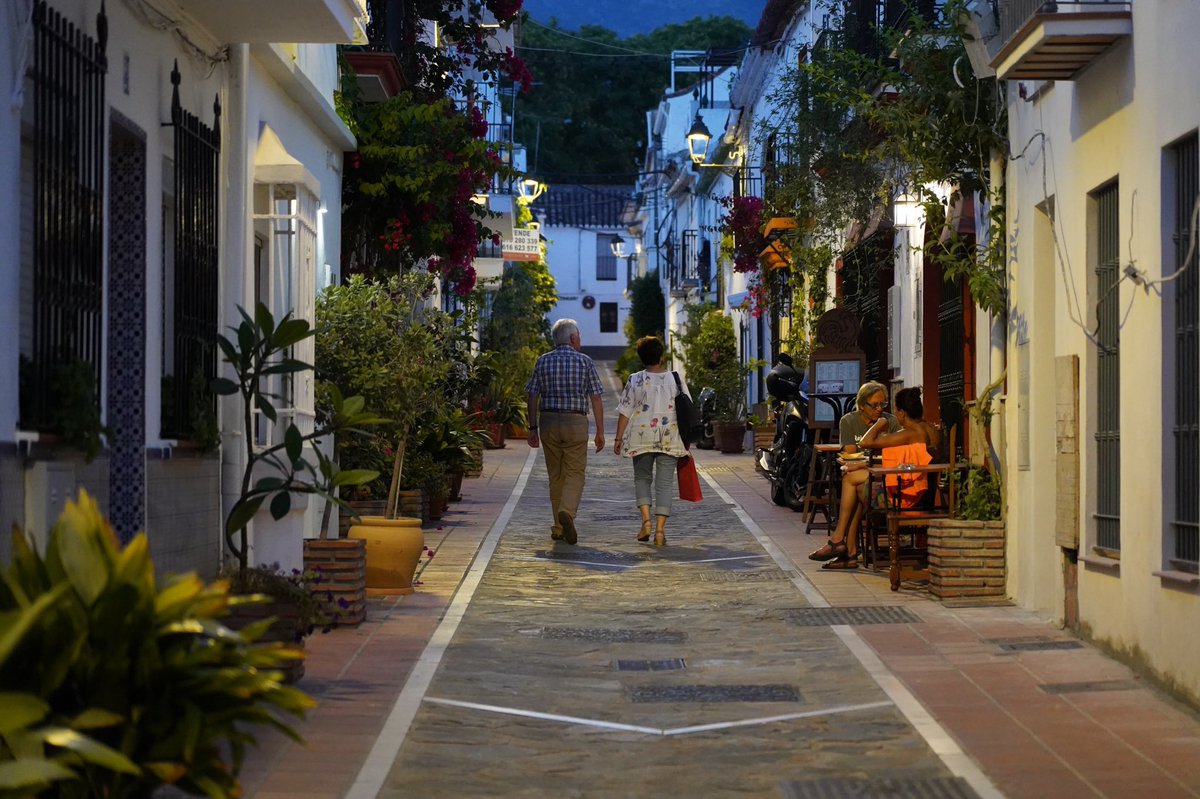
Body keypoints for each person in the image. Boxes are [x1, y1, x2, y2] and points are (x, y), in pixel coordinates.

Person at [525, 319, 605, 545]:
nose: (580, 340)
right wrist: (600, 431)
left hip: (548, 421)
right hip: (575, 421)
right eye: (578, 336)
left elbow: (532, 395)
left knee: (556, 474)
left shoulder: (543, 361)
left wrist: (532, 427)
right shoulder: (585, 361)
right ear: (572, 338)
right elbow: (596, 397)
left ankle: (558, 527)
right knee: (575, 472)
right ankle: (567, 512)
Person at [808, 381, 902, 569]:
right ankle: (848, 552)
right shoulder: (849, 421)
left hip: (882, 476)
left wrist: (866, 456)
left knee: (851, 481)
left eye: (882, 404)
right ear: (861, 405)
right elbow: (850, 453)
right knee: (857, 489)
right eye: (874, 405)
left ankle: (840, 543)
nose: (879, 409)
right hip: (863, 475)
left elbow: (894, 455)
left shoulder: (889, 422)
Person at [613, 336, 690, 547]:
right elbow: (687, 407)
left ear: (641, 358)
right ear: (662, 357)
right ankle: (660, 532)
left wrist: (618, 438)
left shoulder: (635, 379)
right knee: (664, 484)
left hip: (641, 437)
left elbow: (625, 411)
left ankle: (646, 522)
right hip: (670, 437)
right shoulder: (676, 378)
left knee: (642, 479)